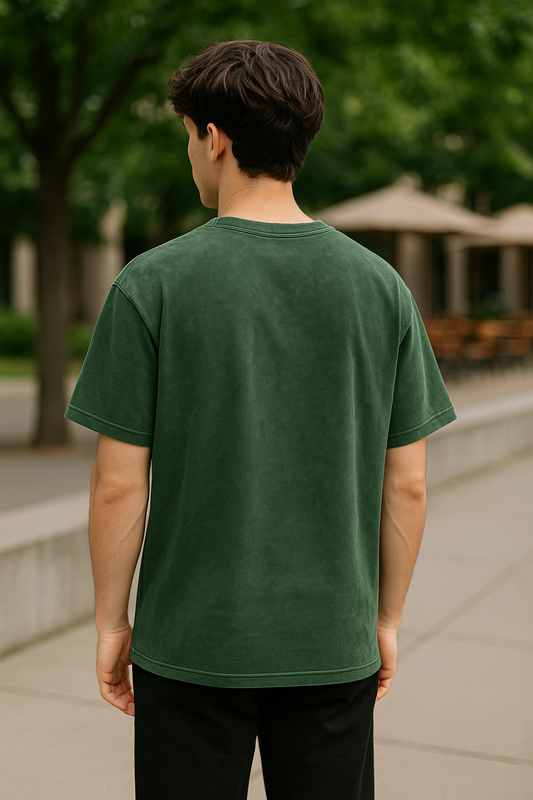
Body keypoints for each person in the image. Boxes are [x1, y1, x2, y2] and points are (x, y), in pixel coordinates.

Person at [65, 39, 456, 800]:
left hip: (188, 647)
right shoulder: (380, 289)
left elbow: (118, 485)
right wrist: (383, 621)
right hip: (331, 644)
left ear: (215, 138)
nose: (190, 154)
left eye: (187, 136)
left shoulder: (152, 284)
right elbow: (404, 485)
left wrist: (114, 627)